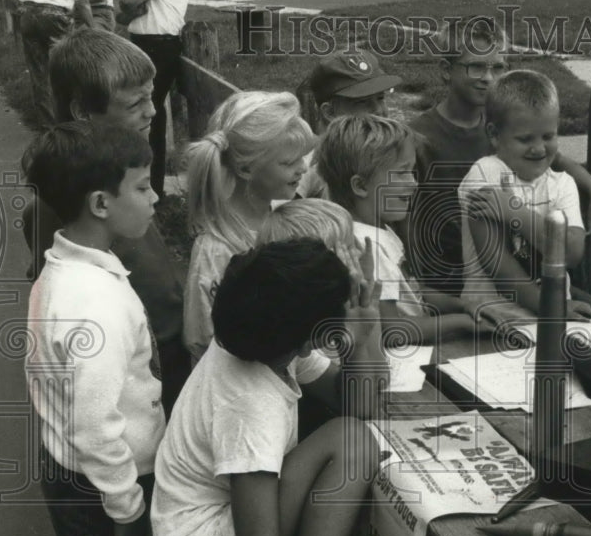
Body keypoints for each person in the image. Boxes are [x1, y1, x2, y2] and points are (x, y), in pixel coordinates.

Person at [150, 239, 384, 536]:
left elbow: (359, 404)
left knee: (354, 437)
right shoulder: (250, 402)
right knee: (351, 440)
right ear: (314, 335)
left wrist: (364, 337)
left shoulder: (267, 339)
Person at [25, 121, 165, 536]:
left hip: (72, 471)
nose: (155, 197)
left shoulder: (60, 270)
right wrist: (126, 509)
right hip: (103, 485)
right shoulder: (97, 305)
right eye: (143, 186)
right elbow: (94, 423)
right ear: (102, 203)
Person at [23, 28, 190, 416]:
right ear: (83, 111)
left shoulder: (122, 177)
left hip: (167, 352)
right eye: (136, 103)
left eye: (152, 96)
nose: (152, 111)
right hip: (139, 374)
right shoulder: (58, 206)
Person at [406, 17, 591, 296]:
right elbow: (405, 217)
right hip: (454, 277)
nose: (488, 77)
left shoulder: (511, 126)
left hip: (517, 265)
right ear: (446, 70)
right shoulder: (419, 136)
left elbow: (556, 160)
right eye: (476, 66)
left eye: (498, 67)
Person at [316, 115, 489, 345]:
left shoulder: (378, 228)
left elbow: (411, 292)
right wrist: (462, 322)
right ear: (360, 185)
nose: (413, 183)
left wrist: (461, 305)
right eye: (401, 173)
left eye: (412, 172)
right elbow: (393, 330)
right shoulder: (369, 247)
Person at [183, 91, 315, 363]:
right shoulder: (217, 249)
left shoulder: (282, 218)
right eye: (289, 162)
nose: (302, 169)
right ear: (246, 170)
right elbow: (201, 339)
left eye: (302, 158)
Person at [457, 70, 591, 319]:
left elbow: (572, 254)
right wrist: (550, 309)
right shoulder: (485, 174)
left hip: (556, 315)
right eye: (525, 139)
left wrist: (513, 211)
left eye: (548, 136)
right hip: (492, 320)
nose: (539, 148)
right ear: (494, 135)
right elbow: (496, 263)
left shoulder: (563, 184)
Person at [116, 0, 189, 198]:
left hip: (158, 46)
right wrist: (127, 2)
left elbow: (128, 0)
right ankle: (145, 184)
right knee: (144, 117)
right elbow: (124, 16)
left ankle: (151, 188)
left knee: (147, 117)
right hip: (144, 44)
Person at [296, 48, 402, 199]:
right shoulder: (310, 166)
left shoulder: (391, 151)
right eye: (362, 102)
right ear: (329, 112)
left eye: (380, 98)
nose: (379, 110)